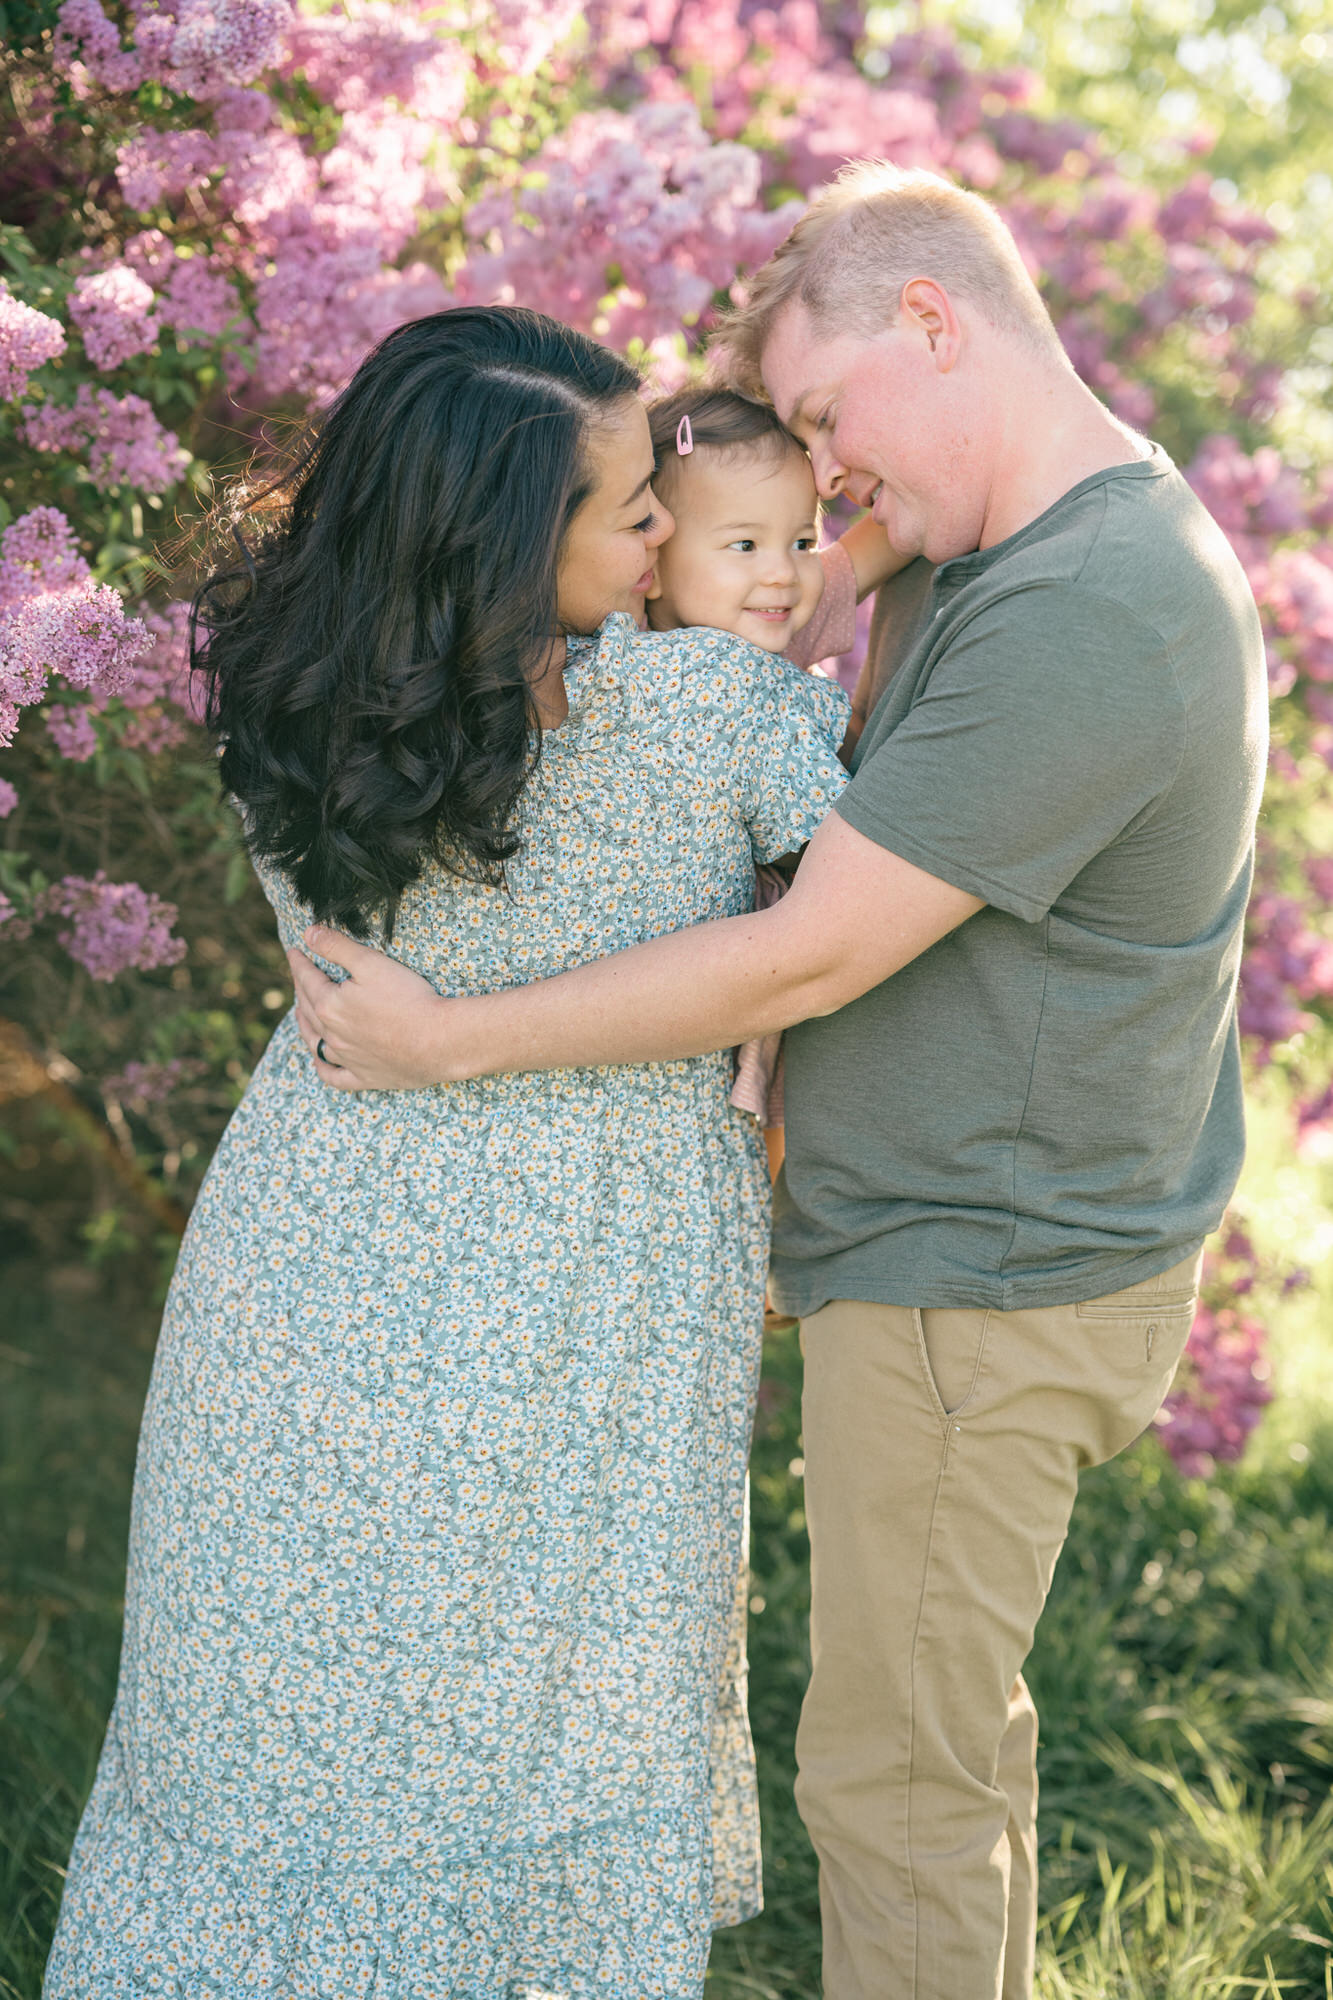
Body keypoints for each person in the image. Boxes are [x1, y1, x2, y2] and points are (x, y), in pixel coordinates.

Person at [286, 164, 1270, 2000]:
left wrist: (451, 1041)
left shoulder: (1089, 606)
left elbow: (815, 947)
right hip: (958, 1250)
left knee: (893, 1779)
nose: (821, 487)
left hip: (980, 1270)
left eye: (827, 421)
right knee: (934, 1748)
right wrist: (817, 527)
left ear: (930, 322)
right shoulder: (1017, 544)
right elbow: (809, 567)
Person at [42, 305, 853, 2000]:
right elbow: (853, 923)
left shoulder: (293, 702)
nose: (666, 537)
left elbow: (336, 993)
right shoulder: (717, 714)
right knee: (533, 1744)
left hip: (318, 1255)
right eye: (635, 508)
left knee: (295, 1736)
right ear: (505, 545)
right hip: (585, 1290)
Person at [641, 383, 906, 1152]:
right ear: (650, 556)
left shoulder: (766, 615)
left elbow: (875, 545)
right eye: (743, 544)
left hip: (773, 977)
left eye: (798, 539)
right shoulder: (625, 659)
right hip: (670, 983)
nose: (784, 573)